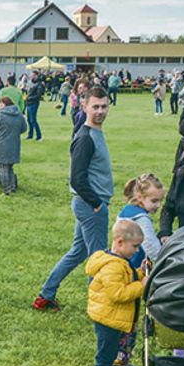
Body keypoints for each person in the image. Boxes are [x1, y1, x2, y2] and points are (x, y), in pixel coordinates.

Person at [34, 88, 113, 312]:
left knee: (77, 252)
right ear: (84, 106)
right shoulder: (85, 138)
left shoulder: (95, 133)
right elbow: (77, 179)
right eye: (95, 106)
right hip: (90, 205)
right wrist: (97, 204)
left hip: (89, 205)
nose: (100, 111)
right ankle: (99, 306)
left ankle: (45, 295)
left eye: (104, 106)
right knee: (97, 257)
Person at [84, 219, 145, 366]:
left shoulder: (121, 262)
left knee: (111, 355)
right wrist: (143, 285)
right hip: (108, 320)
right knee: (105, 358)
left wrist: (140, 273)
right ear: (119, 242)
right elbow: (118, 293)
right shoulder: (113, 267)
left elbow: (127, 278)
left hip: (114, 318)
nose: (137, 250)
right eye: (135, 246)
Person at [116, 173, 165, 272]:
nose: (159, 205)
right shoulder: (142, 219)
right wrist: (164, 261)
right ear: (139, 197)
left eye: (160, 200)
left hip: (120, 262)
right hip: (135, 266)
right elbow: (150, 245)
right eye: (154, 201)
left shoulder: (126, 211)